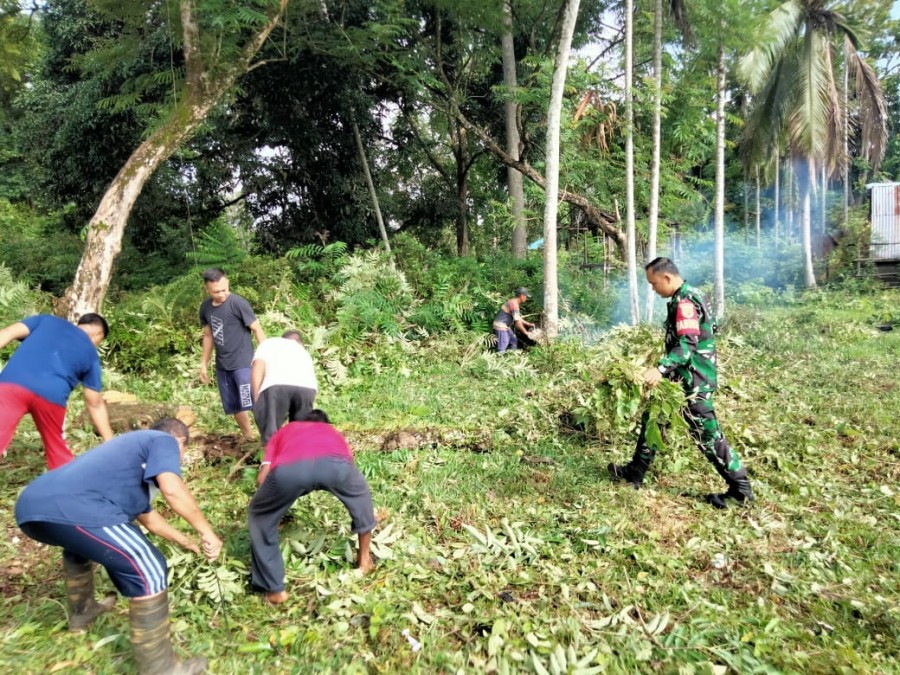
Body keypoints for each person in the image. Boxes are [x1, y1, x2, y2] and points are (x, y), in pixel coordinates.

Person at [15, 418, 222, 673]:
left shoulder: (125, 460)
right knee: (149, 567)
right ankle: (161, 668)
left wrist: (187, 541)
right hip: (77, 506)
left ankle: (84, 611)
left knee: (82, 546)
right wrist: (208, 533)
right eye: (182, 454)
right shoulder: (163, 440)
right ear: (180, 441)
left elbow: (150, 520)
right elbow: (173, 490)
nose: (177, 461)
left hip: (33, 507)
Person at [608, 257, 754, 508]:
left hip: (692, 383)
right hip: (679, 381)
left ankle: (740, 491)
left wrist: (660, 369)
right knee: (654, 420)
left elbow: (687, 345)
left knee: (707, 435)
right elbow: (711, 327)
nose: (653, 290)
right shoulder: (692, 294)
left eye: (654, 284)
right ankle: (635, 473)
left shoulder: (684, 302)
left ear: (667, 278)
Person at [248, 409, 376, 605]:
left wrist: (275, 505)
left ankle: (275, 590)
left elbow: (261, 479)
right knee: (362, 502)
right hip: (336, 467)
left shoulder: (285, 431)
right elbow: (348, 466)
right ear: (326, 423)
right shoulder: (333, 433)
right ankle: (364, 560)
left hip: (290, 471)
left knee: (260, 516)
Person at [0, 313, 114, 469]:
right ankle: (65, 487)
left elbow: (7, 333)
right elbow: (94, 402)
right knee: (57, 447)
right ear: (97, 335)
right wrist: (110, 440)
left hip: (13, 384)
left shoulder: (46, 320)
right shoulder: (91, 353)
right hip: (51, 397)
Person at [198, 268, 266, 440]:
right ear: (207, 289)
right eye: (216, 291)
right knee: (235, 406)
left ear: (228, 283)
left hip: (243, 365)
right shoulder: (205, 308)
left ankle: (268, 438)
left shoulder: (238, 303)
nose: (221, 294)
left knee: (252, 402)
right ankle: (248, 437)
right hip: (223, 366)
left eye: (224, 289)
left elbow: (257, 328)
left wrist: (265, 356)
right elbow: (208, 335)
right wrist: (203, 364)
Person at [251, 329, 319, 447]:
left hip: (277, 386)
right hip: (307, 389)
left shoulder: (269, 343)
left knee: (270, 430)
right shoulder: (302, 351)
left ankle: (270, 458)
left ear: (282, 339)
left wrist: (256, 395)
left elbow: (258, 365)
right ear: (300, 342)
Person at [493, 287, 536, 353]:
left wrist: (528, 324)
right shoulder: (514, 304)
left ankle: (512, 357)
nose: (526, 298)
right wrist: (526, 333)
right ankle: (500, 360)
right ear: (522, 296)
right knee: (503, 345)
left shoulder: (513, 302)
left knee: (513, 341)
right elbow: (517, 322)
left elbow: (517, 317)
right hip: (501, 326)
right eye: (526, 296)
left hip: (505, 326)